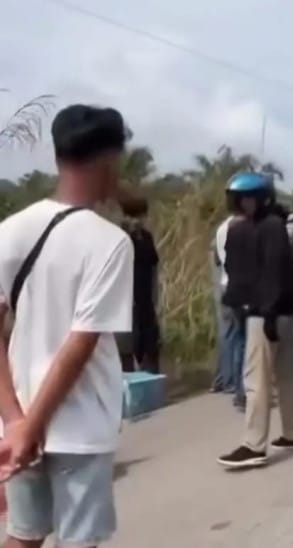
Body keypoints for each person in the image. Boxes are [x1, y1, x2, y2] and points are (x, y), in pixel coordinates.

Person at [0, 104, 133, 547]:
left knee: (23, 536)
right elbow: (80, 344)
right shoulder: (111, 242)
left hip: (16, 420)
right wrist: (35, 425)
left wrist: (17, 422)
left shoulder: (9, 231)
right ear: (109, 161)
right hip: (80, 429)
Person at [217, 172, 293, 469]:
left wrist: (265, 312)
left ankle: (253, 445)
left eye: (249, 198)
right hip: (281, 311)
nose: (244, 204)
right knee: (285, 375)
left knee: (256, 381)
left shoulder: (268, 228)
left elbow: (274, 272)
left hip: (267, 312)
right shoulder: (268, 226)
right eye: (240, 199)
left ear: (263, 198)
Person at [210, 202, 247, 411]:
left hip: (224, 286)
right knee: (242, 339)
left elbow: (216, 259)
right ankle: (240, 388)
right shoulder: (242, 228)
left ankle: (228, 381)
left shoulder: (221, 228)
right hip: (239, 288)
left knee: (230, 337)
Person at [120, 196, 161, 374]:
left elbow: (153, 266)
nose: (137, 220)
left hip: (145, 296)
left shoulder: (146, 237)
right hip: (127, 297)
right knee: (131, 341)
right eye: (133, 216)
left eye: (141, 216)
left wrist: (155, 293)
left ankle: (150, 375)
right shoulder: (121, 238)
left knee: (150, 339)